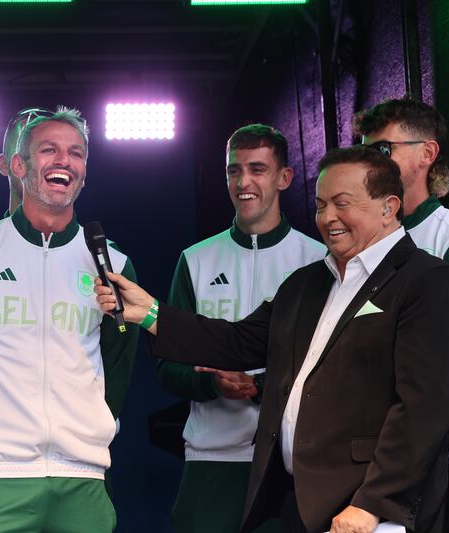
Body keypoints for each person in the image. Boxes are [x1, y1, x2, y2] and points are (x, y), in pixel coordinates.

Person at [96, 146, 449, 533]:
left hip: (372, 515)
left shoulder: (427, 280)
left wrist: (372, 504)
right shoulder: (306, 283)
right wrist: (149, 311)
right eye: (320, 205)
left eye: (342, 203)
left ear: (388, 208)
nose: (327, 218)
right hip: (300, 504)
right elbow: (236, 342)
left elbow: (424, 410)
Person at [0, 106, 138, 532]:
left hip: (83, 477)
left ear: (84, 171)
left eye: (76, 153)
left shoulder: (112, 263)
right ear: (19, 165)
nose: (64, 161)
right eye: (49, 150)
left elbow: (118, 367)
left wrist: (89, 432)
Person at [156, 124, 325, 533]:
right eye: (234, 170)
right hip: (210, 460)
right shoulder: (195, 260)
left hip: (288, 462)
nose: (243, 182)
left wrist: (261, 386)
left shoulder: (318, 259)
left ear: (284, 177)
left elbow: (329, 367)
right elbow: (166, 367)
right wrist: (212, 383)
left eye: (257, 169)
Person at [354, 98, 449, 506]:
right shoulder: (355, 246)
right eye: (365, 151)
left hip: (445, 460)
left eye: (383, 150)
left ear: (427, 155)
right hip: (372, 460)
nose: (370, 162)